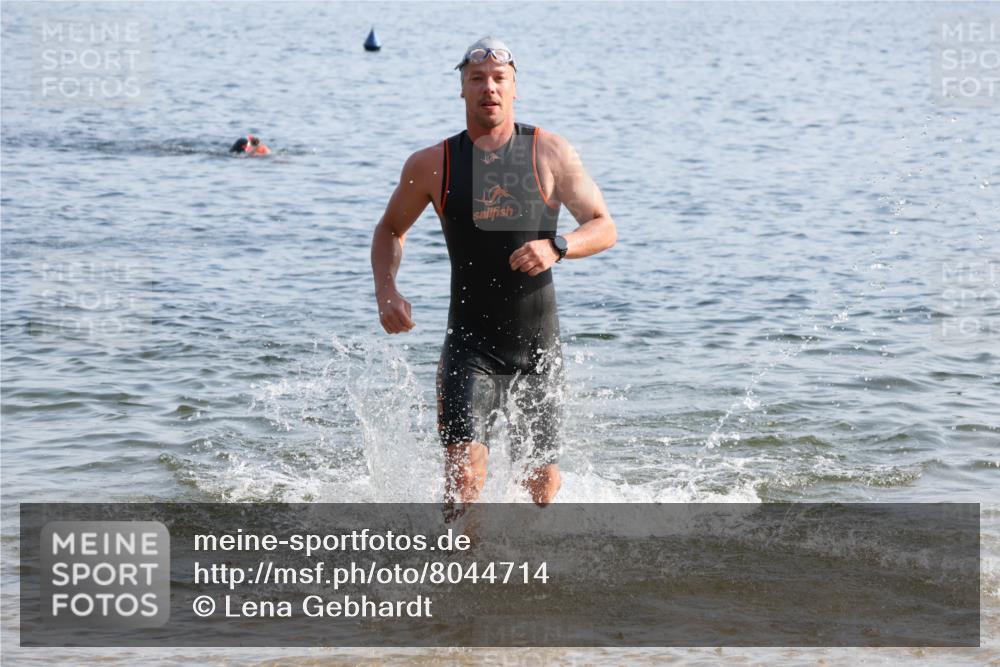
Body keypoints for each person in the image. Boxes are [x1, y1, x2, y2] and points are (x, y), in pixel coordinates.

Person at [370, 37, 616, 508]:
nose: (489, 89)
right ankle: (460, 573)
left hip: (538, 348)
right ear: (461, 89)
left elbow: (604, 226)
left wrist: (558, 246)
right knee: (462, 484)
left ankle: (524, 576)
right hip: (471, 347)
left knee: (541, 489)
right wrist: (387, 290)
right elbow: (390, 230)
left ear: (515, 88)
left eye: (500, 79)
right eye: (477, 80)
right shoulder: (431, 164)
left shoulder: (550, 152)